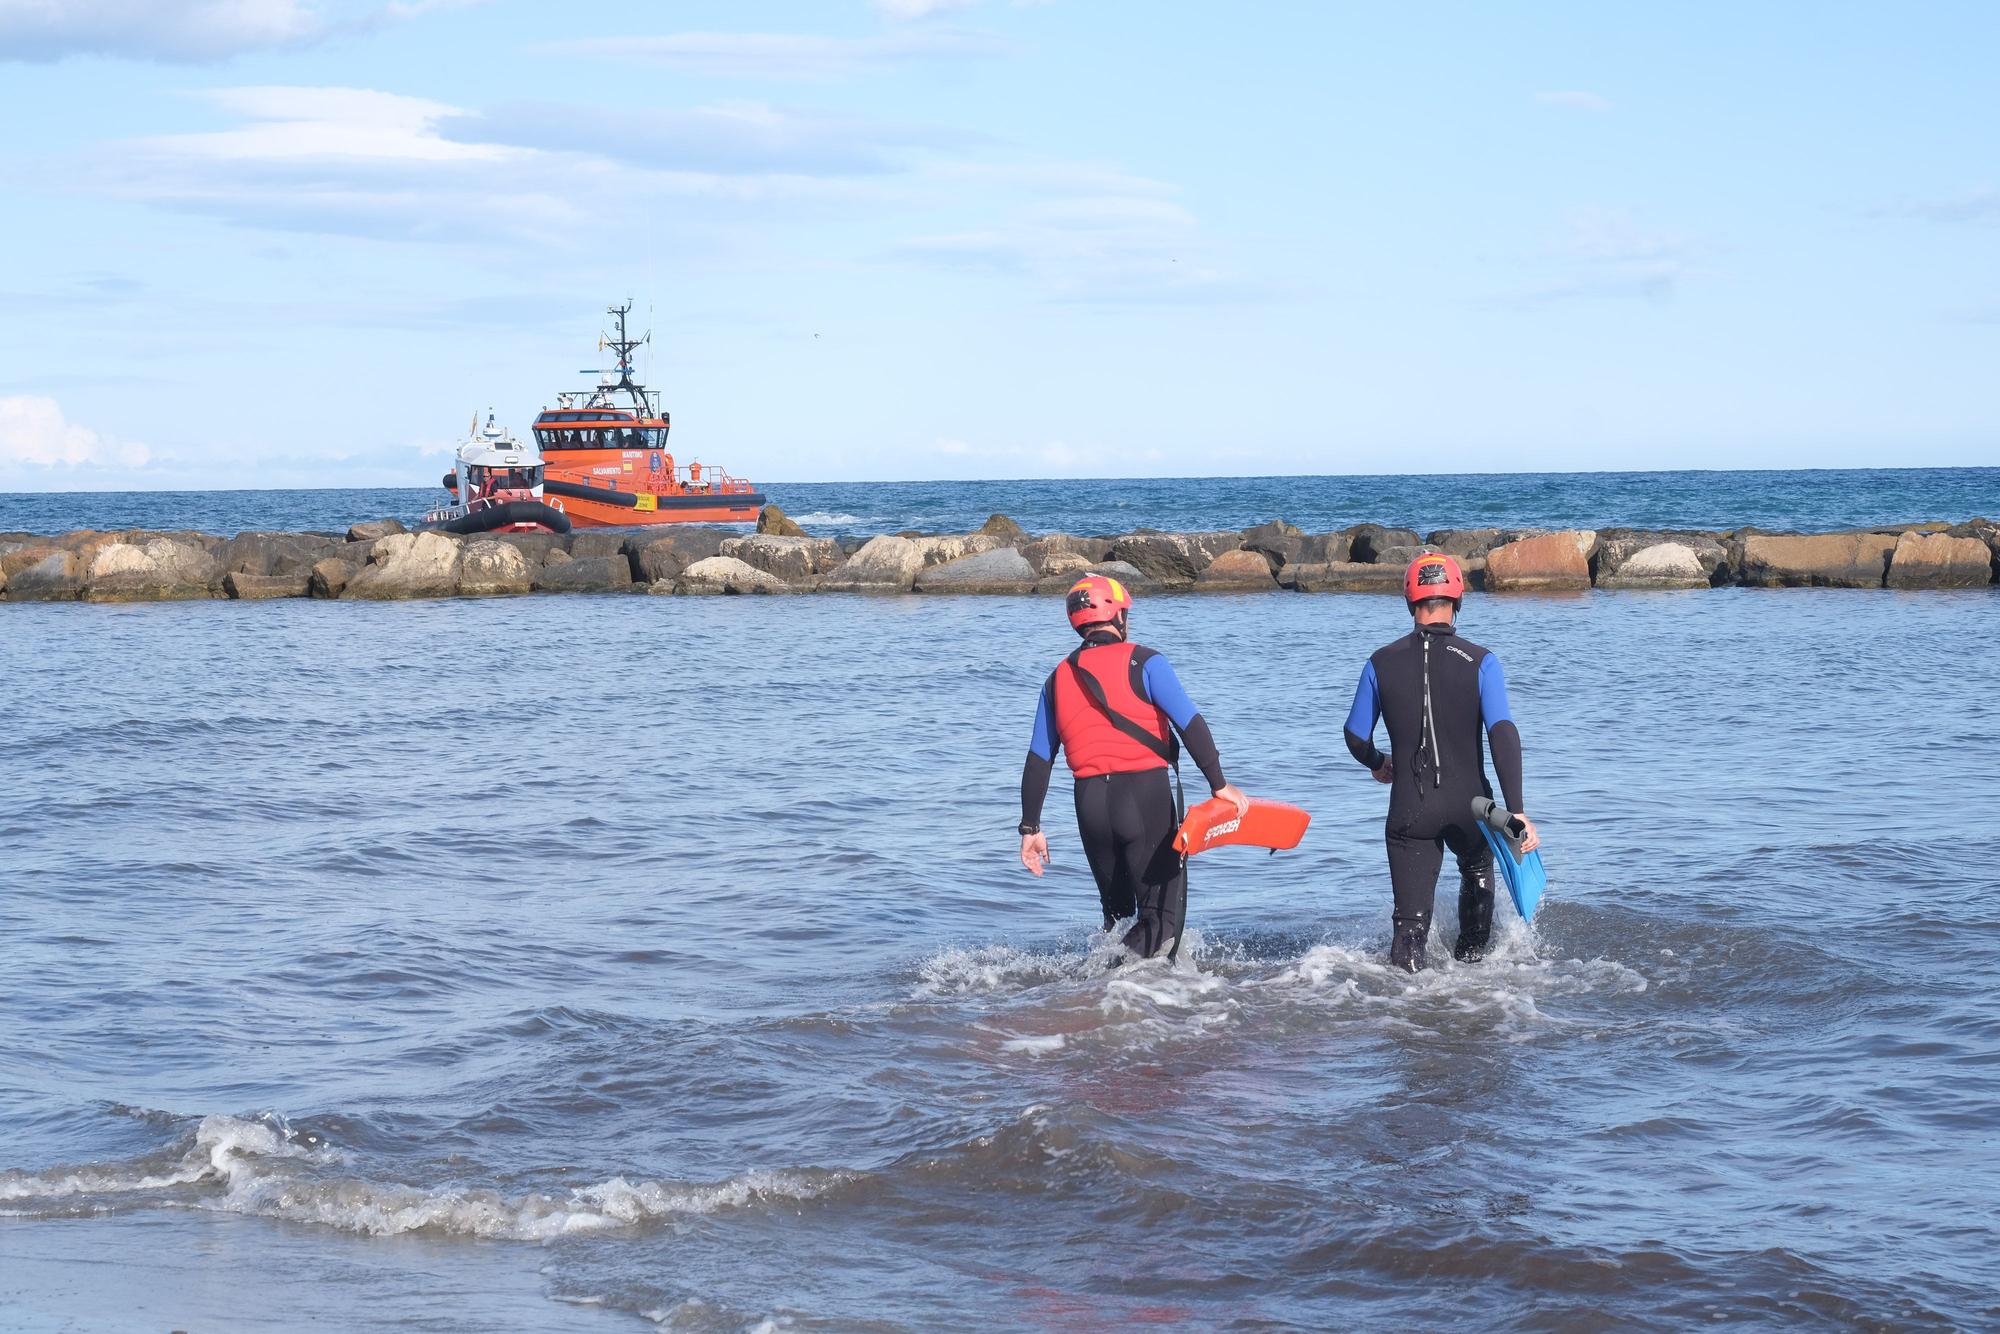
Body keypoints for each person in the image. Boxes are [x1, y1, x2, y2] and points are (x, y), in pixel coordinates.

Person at [1018, 575, 1249, 959]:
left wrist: (1030, 828)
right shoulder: (1145, 661)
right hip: (1143, 797)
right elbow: (1189, 721)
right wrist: (1218, 783)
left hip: (1090, 804)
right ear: (1117, 615)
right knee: (1159, 921)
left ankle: (1099, 999)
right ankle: (1107, 980)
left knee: (1118, 919)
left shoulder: (1056, 678)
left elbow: (1039, 757)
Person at [1343, 553, 1539, 971]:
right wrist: (1517, 809)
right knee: (1476, 871)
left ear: (1411, 600)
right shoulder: (1483, 660)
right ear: (1457, 598)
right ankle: (1471, 971)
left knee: (1409, 927)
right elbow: (1502, 732)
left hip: (1410, 810)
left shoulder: (1380, 662)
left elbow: (1355, 734)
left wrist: (1379, 762)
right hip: (1473, 807)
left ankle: (1407, 1014)